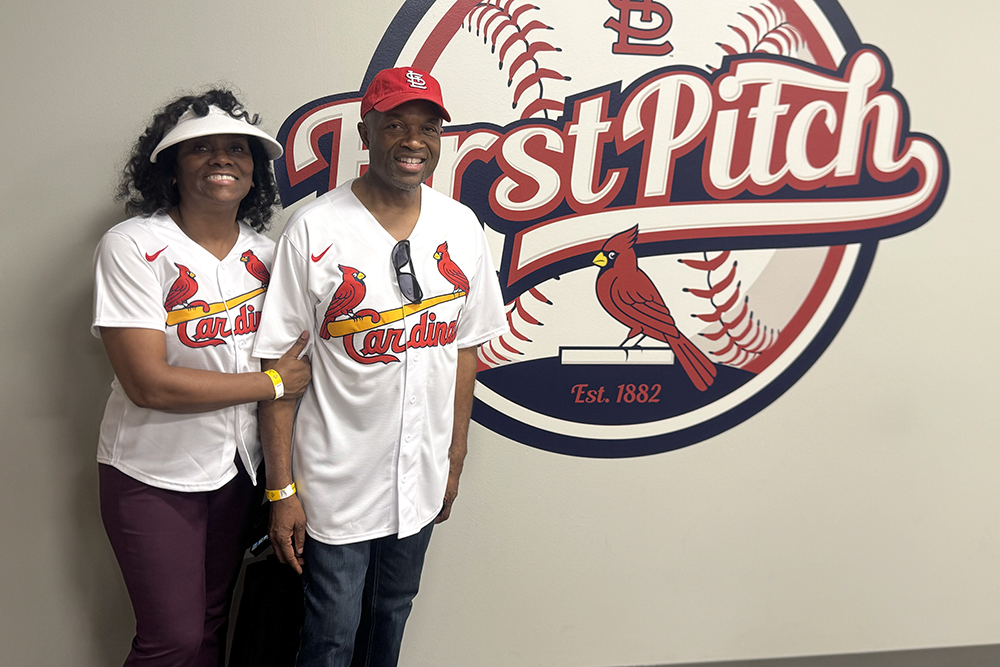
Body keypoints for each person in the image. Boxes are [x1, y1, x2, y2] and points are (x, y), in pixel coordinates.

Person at [253, 67, 507, 666]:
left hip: (419, 476)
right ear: (366, 132)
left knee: (391, 619)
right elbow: (278, 374)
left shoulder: (461, 226)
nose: (412, 140)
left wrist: (455, 457)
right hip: (335, 480)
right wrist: (281, 489)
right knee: (331, 636)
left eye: (426, 127)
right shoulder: (314, 228)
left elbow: (464, 351)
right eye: (395, 124)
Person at [93, 89, 312, 667]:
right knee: (173, 640)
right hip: (152, 473)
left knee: (213, 625)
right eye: (202, 150)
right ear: (169, 167)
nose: (223, 159)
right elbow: (149, 383)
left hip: (236, 472)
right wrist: (270, 386)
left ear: (255, 171)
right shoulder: (133, 246)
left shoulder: (268, 255)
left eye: (237, 149)